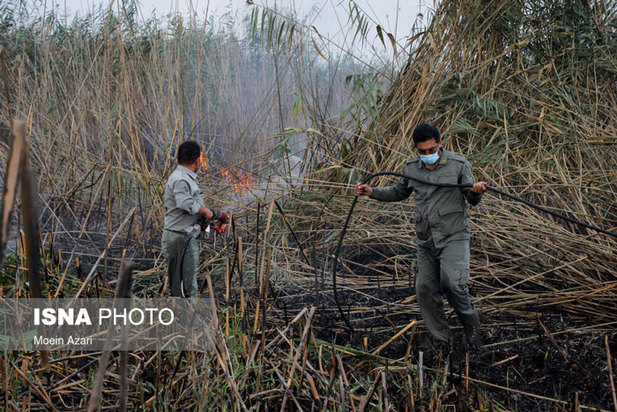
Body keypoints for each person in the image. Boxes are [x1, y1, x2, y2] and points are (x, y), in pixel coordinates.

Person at [355, 124, 487, 349]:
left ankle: (471, 327)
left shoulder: (459, 165)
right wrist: (372, 192)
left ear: (439, 143)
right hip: (426, 240)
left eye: (431, 150)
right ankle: (441, 339)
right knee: (424, 288)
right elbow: (399, 192)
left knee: (453, 284)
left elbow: (471, 198)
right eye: (422, 152)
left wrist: (475, 192)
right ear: (416, 149)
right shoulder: (411, 168)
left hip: (454, 236)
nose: (427, 155)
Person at [162, 141, 227, 297]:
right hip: (180, 238)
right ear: (198, 160)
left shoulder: (182, 177)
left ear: (178, 158)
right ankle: (190, 319)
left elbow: (188, 212)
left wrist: (210, 222)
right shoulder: (181, 179)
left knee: (179, 287)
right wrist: (206, 211)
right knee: (188, 287)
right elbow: (184, 203)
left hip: (180, 235)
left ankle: (180, 317)